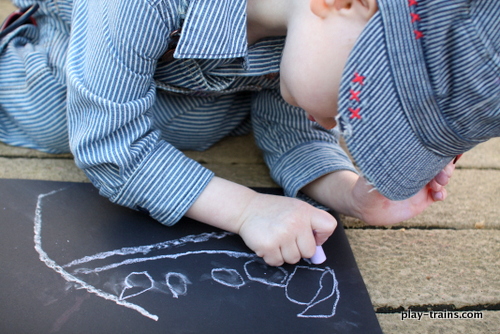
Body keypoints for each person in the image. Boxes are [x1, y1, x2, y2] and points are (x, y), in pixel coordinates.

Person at [1, 0, 497, 266]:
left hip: (208, 101)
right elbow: (111, 145)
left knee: (269, 101)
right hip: (58, 75)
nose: (341, 124)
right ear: (342, 2)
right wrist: (246, 208)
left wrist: (352, 195)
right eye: (356, 104)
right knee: (49, 116)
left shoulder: (308, 39)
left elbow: (294, 131)